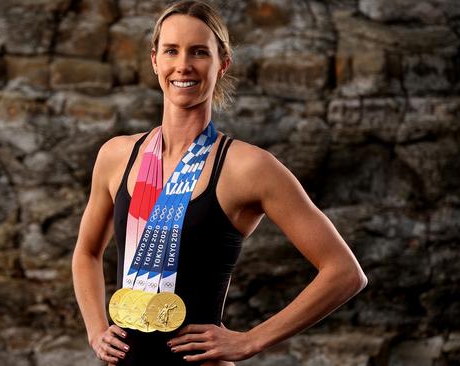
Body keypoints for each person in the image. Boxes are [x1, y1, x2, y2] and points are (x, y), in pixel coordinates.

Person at [72, 1, 368, 365]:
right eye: (171, 51)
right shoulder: (116, 156)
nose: (183, 65)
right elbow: (86, 253)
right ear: (154, 60)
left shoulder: (249, 168)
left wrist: (251, 341)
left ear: (222, 63)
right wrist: (96, 330)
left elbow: (345, 273)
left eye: (199, 52)